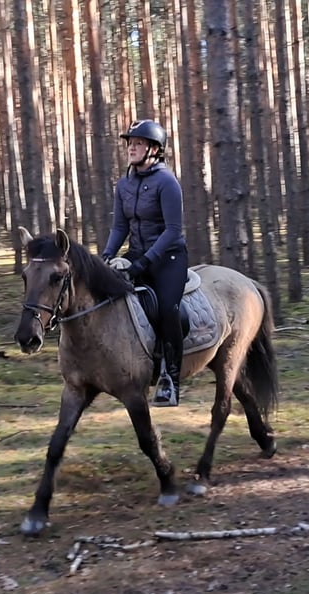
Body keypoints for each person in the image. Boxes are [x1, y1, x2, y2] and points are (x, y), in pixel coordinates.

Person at [102, 119, 188, 406]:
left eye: (138, 143)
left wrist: (144, 262)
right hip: (137, 254)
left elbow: (173, 230)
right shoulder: (123, 184)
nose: (131, 148)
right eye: (130, 143)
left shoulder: (167, 182)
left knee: (167, 309)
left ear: (154, 149)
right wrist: (107, 256)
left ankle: (170, 380)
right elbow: (119, 227)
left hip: (169, 258)